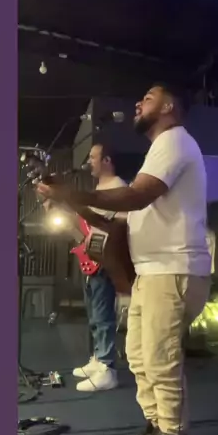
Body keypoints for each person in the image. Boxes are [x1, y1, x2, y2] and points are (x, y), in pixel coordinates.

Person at [38, 84, 211, 435]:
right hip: (151, 274)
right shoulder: (159, 152)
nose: (138, 102)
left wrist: (75, 192)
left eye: (148, 98)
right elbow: (114, 223)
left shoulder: (174, 141)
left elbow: (135, 198)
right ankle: (157, 427)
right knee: (138, 356)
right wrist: (68, 199)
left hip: (172, 269)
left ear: (168, 106)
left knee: (161, 360)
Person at [73, 142, 127, 393]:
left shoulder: (118, 188)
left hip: (105, 259)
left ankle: (107, 367)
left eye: (93, 157)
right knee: (95, 314)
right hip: (94, 257)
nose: (89, 162)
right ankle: (98, 358)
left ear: (107, 160)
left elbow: (118, 227)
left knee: (103, 314)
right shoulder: (100, 188)